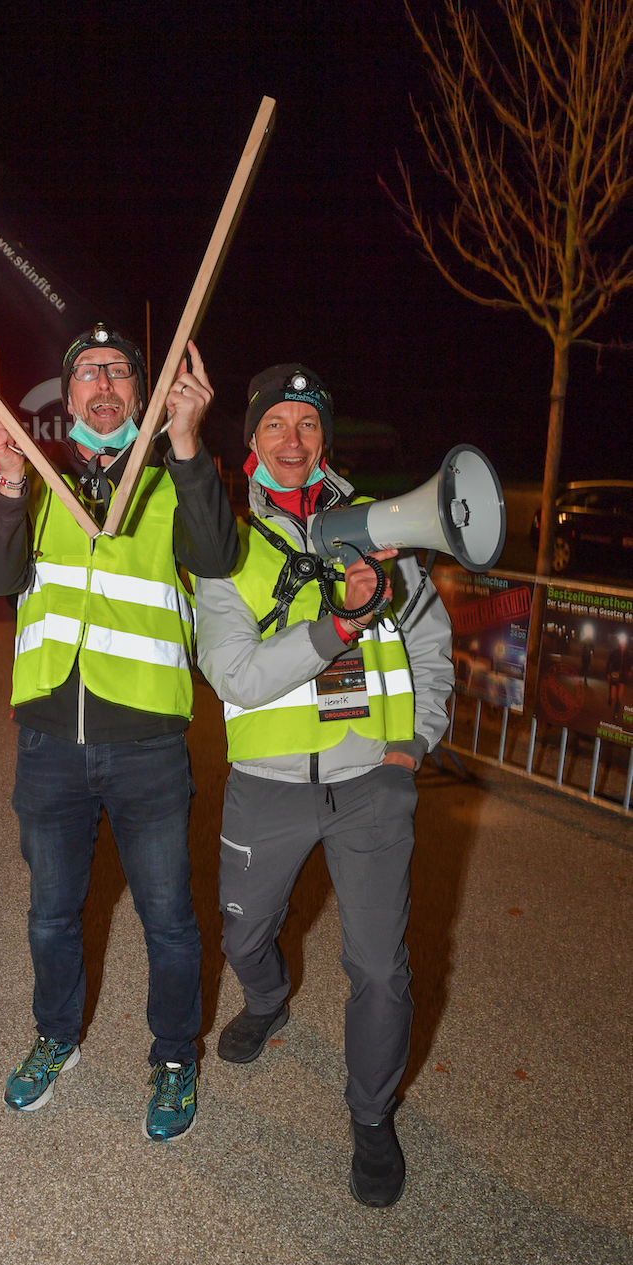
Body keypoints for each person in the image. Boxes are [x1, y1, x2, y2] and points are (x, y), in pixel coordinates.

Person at [0, 322, 238, 1143]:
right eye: (88, 371)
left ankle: (172, 1059)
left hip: (148, 741)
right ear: (69, 392)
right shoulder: (39, 479)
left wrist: (187, 446)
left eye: (119, 370)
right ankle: (56, 1040)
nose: (103, 383)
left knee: (169, 918)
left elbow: (218, 555)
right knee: (51, 914)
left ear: (142, 390)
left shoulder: (169, 473)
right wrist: (9, 483)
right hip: (50, 737)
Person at [194, 365, 453, 1206]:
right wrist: (333, 626)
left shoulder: (381, 533)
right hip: (266, 786)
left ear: (324, 440)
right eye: (275, 425)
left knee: (381, 970)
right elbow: (233, 673)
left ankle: (372, 1118)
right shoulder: (225, 548)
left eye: (307, 424)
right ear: (251, 443)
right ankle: (266, 996)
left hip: (372, 784)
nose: (293, 441)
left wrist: (411, 747)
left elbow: (431, 648)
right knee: (242, 936)